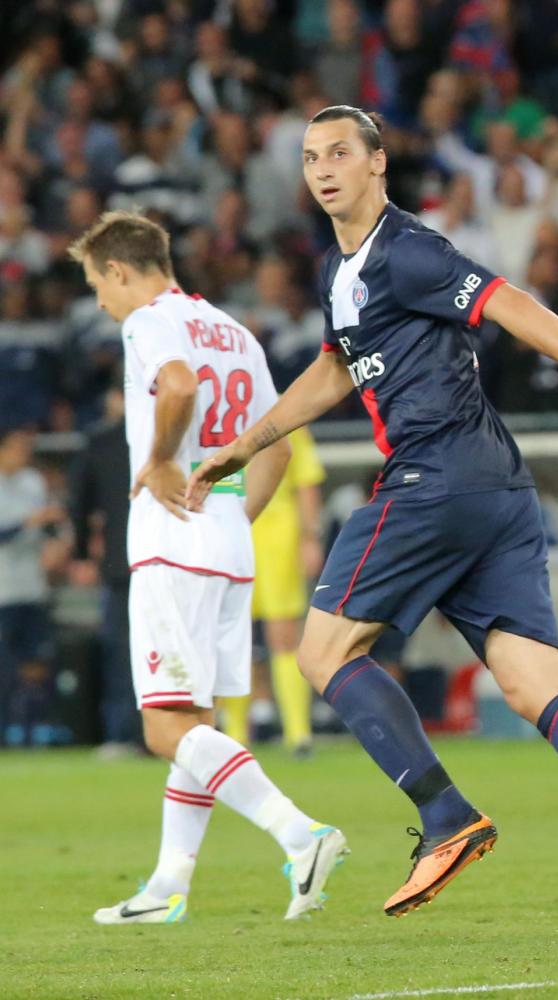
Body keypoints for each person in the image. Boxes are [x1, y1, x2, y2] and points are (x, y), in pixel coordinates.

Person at [186, 106, 558, 935]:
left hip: (433, 476)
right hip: (496, 488)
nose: (323, 168)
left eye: (341, 153)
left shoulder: (407, 251)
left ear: (379, 163)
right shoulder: (339, 274)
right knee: (534, 684)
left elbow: (511, 302)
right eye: (310, 158)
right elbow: (334, 373)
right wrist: (246, 444)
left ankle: (445, 815)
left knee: (322, 650)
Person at [69, 211, 345, 925]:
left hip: (170, 540)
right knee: (196, 723)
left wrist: (161, 462)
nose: (100, 300)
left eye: (98, 282)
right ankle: (168, 887)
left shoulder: (150, 323)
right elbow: (278, 445)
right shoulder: (237, 333)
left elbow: (181, 385)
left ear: (122, 271)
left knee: (163, 729)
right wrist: (229, 518)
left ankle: (301, 833)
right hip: (225, 538)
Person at [222, 427, 326, 756]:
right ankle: (236, 734)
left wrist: (310, 537)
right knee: (232, 633)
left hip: (279, 537)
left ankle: (298, 733)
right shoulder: (221, 413)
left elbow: (305, 482)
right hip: (230, 533)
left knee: (282, 636)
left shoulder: (284, 415)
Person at [69, 384, 140, 753]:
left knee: (121, 651)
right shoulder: (177, 434)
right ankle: (177, 732)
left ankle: (123, 734)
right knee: (169, 648)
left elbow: (78, 502)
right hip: (173, 559)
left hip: (122, 562)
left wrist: (81, 553)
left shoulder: (101, 441)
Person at [0, 428, 64, 747]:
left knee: (36, 663)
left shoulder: (33, 482)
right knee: (5, 666)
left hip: (32, 586)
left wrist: (56, 544)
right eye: (16, 446)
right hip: (3, 589)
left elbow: (51, 524)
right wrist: (30, 522)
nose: (23, 452)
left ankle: (31, 729)